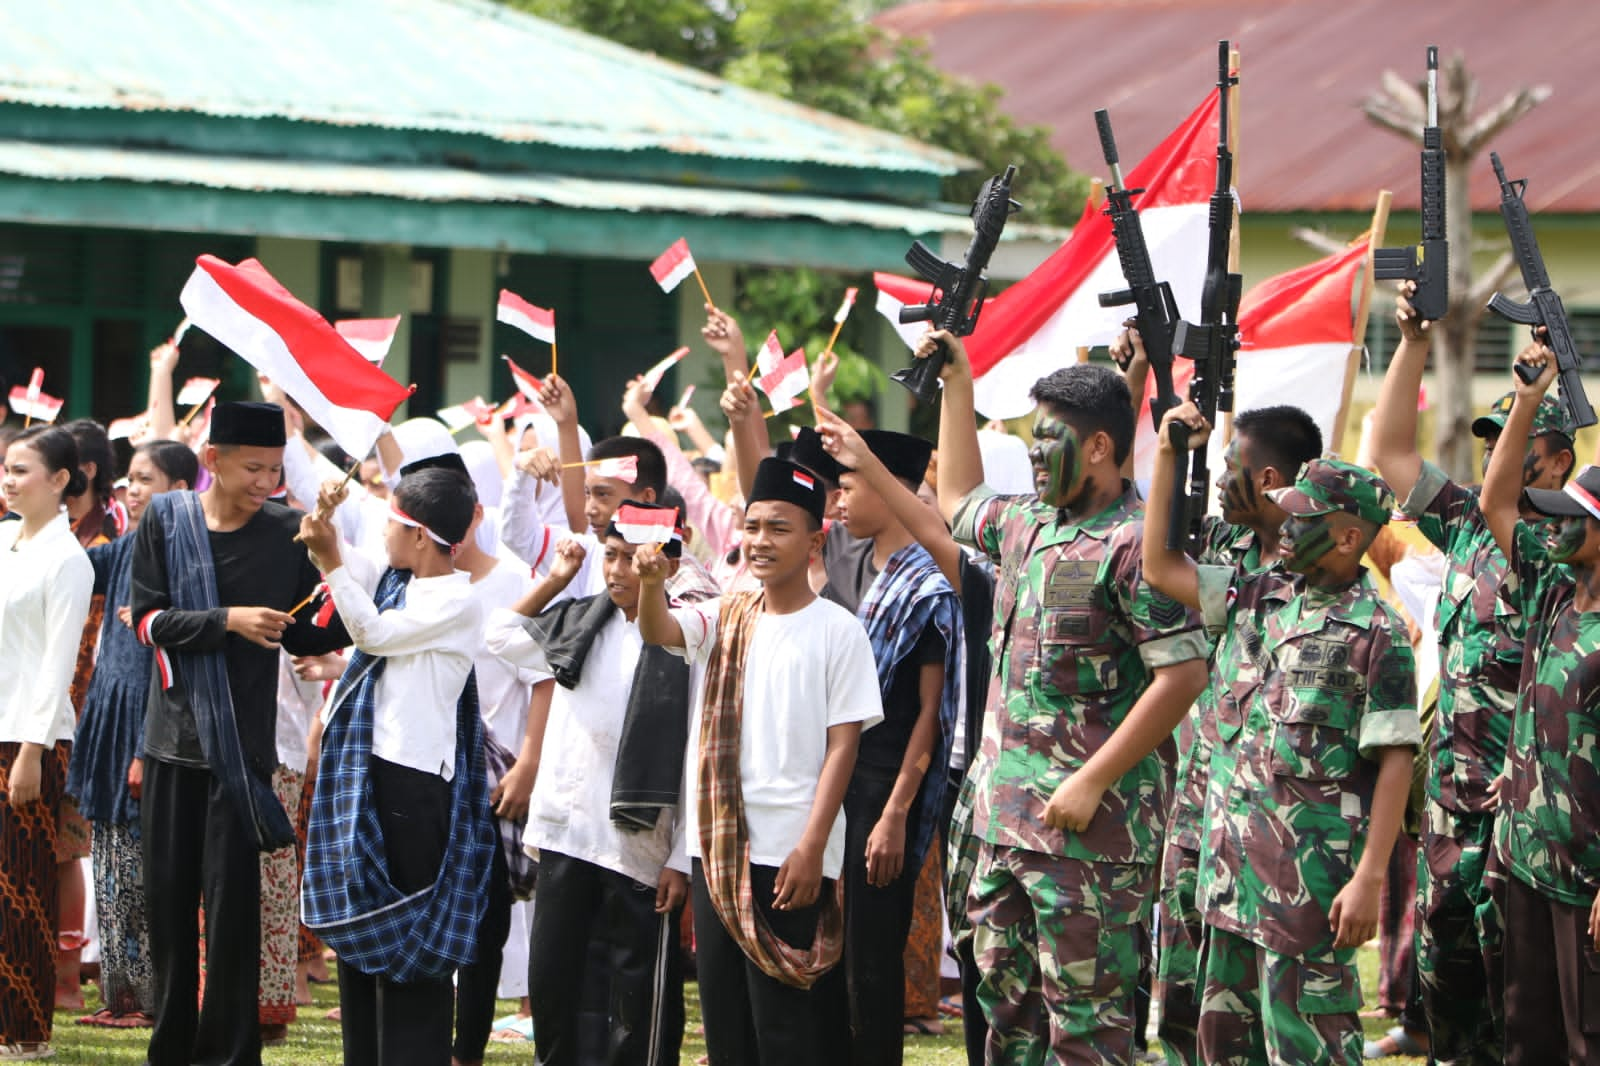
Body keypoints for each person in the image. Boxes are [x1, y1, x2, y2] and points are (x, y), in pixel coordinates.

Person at [923, 331, 1210, 1064]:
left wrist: (1093, 779)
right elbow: (957, 501)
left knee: (1087, 1031)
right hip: (1003, 827)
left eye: (1048, 440)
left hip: (1091, 839)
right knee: (1008, 1017)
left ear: (1104, 449)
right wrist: (959, 383)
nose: (1033, 454)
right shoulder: (1029, 524)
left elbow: (1182, 676)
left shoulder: (1137, 546)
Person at [1144, 404, 1421, 1064]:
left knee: (1310, 1051)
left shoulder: (1376, 632)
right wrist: (1165, 456)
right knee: (1221, 1050)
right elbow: (1158, 564)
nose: (1286, 525)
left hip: (1309, 892)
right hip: (1228, 881)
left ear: (1349, 537)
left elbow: (1395, 761)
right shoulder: (1255, 591)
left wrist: (1369, 878)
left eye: (1303, 517)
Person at [1369, 284, 1575, 1064]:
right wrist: (1414, 343)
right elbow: (1390, 456)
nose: (1494, 449)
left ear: (1555, 458)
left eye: (1513, 437)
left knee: (1518, 1002)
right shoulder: (1464, 528)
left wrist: (1534, 397)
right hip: (1455, 800)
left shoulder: (1560, 551)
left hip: (1523, 810)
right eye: (1489, 436)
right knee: (1447, 986)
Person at [638, 456, 884, 1065]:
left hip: (792, 850)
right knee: (729, 1030)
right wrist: (649, 585)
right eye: (751, 527)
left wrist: (812, 843)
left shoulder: (838, 630)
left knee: (790, 1031)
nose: (759, 542)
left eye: (778, 528)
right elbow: (658, 631)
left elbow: (843, 745)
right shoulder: (728, 614)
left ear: (813, 540)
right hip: (720, 849)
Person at [130, 400, 347, 1066]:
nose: (263, 482)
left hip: (243, 753)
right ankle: (170, 1047)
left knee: (233, 917)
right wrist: (227, 620)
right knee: (168, 910)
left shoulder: (288, 531)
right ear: (213, 461)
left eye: (275, 469)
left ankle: (229, 1053)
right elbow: (144, 623)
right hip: (172, 744)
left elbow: (317, 630)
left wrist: (334, 561)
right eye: (252, 467)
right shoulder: (167, 522)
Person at [487, 502, 706, 1066]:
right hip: (566, 830)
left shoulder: (688, 636)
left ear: (666, 565)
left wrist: (681, 856)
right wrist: (557, 578)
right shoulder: (584, 619)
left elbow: (694, 754)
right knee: (557, 981)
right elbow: (500, 636)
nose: (616, 571)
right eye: (610, 556)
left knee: (635, 996)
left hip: (640, 844)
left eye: (633, 560)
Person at [299, 467, 495, 1066]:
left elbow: (373, 633)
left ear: (417, 535)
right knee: (362, 926)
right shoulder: (396, 578)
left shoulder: (458, 600)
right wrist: (325, 520)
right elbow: (341, 562)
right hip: (367, 773)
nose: (382, 535)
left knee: (407, 936)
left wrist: (331, 558)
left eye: (390, 523)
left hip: (412, 784)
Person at [1150, 397, 1324, 1066]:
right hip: (1207, 800)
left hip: (1280, 822)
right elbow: (1158, 545)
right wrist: (1173, 448)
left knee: (1272, 1005)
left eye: (1231, 466)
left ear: (1271, 478)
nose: (1220, 478)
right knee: (1187, 978)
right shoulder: (1228, 546)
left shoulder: (1311, 572)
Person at [810, 422, 963, 1066]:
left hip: (883, 786)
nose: (838, 504)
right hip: (826, 779)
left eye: (848, 486)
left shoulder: (928, 583)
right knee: (820, 948)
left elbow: (931, 713)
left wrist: (896, 813)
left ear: (889, 488)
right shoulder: (845, 558)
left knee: (873, 959)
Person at [1477, 341, 1600, 1064]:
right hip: (1525, 861)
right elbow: (1496, 498)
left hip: (1585, 881)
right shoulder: (1554, 592)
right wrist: (1527, 399)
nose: (1552, 524)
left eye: (1571, 516)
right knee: (1529, 1038)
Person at [66, 439, 197, 1030]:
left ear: (178, 490)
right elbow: (67, 569)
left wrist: (148, 747)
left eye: (146, 479)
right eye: (130, 480)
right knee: (112, 862)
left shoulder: (186, 561)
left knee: (147, 867)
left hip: (154, 725)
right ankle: (119, 995)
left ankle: (152, 998)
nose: (132, 490)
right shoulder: (122, 551)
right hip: (109, 717)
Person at [0, 425, 94, 1061]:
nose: (8, 480)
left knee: (22, 887)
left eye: (20, 470)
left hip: (30, 741)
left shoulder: (69, 559)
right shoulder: (4, 540)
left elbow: (58, 665)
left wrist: (32, 753)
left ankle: (25, 1028)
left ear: (60, 481)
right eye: (5, 469)